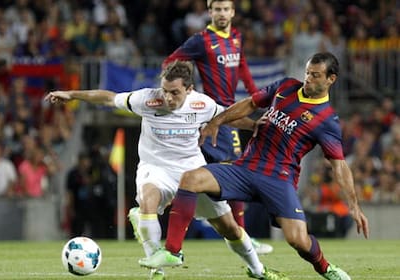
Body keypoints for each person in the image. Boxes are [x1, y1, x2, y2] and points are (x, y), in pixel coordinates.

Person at [45, 61, 284, 280]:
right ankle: (157, 272)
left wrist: (254, 125)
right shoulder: (146, 100)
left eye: (174, 92)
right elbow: (109, 98)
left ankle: (258, 270)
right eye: (165, 90)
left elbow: (226, 117)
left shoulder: (202, 103)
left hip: (193, 169)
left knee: (230, 228)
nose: (167, 97)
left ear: (189, 89)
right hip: (156, 168)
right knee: (149, 200)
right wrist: (72, 94)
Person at [139, 53, 369, 280]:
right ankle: (173, 252)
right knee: (190, 179)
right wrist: (216, 121)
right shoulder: (287, 86)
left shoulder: (327, 121)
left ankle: (326, 268)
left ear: (331, 79)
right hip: (245, 168)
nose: (308, 78)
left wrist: (354, 205)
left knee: (297, 239)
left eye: (316, 75)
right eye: (308, 72)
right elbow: (250, 104)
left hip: (279, 179)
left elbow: (339, 165)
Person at [163, 0, 273, 255]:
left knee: (214, 171)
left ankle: (221, 223)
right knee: (232, 170)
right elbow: (171, 62)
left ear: (232, 12)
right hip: (214, 112)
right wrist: (186, 92)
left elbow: (243, 68)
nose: (222, 14)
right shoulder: (201, 40)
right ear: (210, 12)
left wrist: (257, 97)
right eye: (217, 9)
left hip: (228, 112)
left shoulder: (236, 37)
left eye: (226, 9)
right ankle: (239, 234)